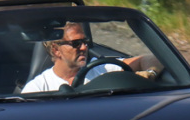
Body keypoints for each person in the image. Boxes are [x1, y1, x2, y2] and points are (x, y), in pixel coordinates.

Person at [20, 22, 159, 93]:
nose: (84, 47)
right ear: (56, 50)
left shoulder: (102, 67)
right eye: (76, 44)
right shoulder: (38, 87)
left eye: (84, 42)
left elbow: (150, 59)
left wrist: (150, 73)